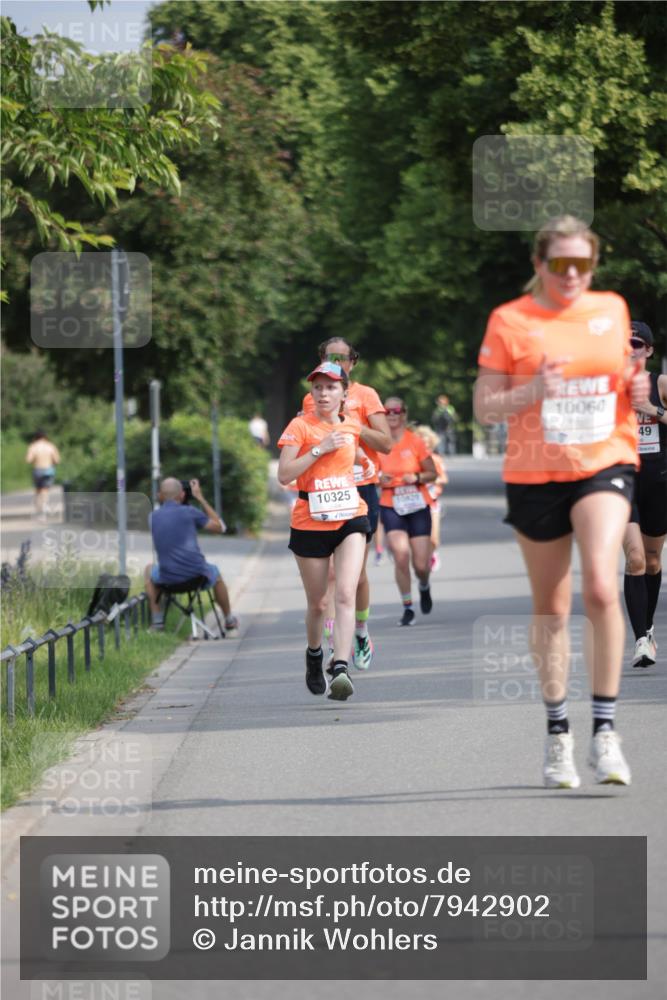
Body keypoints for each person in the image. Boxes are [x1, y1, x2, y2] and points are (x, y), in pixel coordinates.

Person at [474, 214, 649, 789]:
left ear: (593, 264)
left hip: (604, 460)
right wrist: (531, 390)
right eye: (560, 264)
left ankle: (605, 731)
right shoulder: (511, 321)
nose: (572, 274)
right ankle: (558, 735)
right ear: (539, 264)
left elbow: (620, 379)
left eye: (583, 264)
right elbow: (485, 407)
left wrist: (636, 387)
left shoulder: (611, 310)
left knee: (601, 583)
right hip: (534, 471)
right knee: (550, 607)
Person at [279, 362, 371, 700]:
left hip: (350, 515)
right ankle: (315, 653)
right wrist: (320, 449)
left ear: (344, 393)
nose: (323, 393)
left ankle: (341, 667)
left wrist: (364, 461)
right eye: (317, 387)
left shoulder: (352, 424)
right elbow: (284, 474)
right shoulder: (300, 426)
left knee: (345, 592)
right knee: (318, 604)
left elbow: (354, 448)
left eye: (331, 387)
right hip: (310, 520)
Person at [301, 338, 391, 671]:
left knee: (356, 574)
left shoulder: (367, 396)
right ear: (321, 360)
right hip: (324, 487)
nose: (337, 360)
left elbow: (386, 444)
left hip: (360, 488)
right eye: (330, 356)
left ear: (352, 362)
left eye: (343, 357)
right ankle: (334, 632)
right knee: (330, 573)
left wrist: (352, 423)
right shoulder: (313, 396)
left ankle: (362, 631)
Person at [622, 320, 666, 668]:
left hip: (659, 481)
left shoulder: (661, 384)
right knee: (635, 557)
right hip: (621, 480)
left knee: (652, 559)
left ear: (648, 350)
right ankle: (640, 639)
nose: (630, 349)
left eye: (636, 343)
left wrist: (655, 412)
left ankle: (648, 629)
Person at [144, 477, 238, 632]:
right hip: (197, 576)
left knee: (149, 569)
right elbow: (220, 528)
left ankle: (157, 621)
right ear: (181, 495)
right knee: (217, 574)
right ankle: (228, 619)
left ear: (160, 495)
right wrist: (200, 497)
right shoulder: (190, 512)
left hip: (168, 579)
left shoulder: (152, 517)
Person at [378, 398, 438, 626]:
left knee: (421, 565)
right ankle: (408, 607)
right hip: (390, 504)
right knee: (401, 556)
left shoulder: (416, 442)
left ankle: (424, 584)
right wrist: (377, 478)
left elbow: (432, 472)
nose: (392, 414)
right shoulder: (379, 443)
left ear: (404, 414)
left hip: (417, 504)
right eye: (387, 411)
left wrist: (418, 477)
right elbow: (367, 471)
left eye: (396, 410)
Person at [414, 425, 448, 572]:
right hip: (414, 503)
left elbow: (444, 479)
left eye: (427, 443)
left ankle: (432, 553)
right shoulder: (411, 460)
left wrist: (430, 479)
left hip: (432, 502)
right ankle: (419, 560)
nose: (425, 445)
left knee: (433, 539)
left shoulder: (436, 459)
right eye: (422, 442)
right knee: (416, 540)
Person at [25, 429, 60, 518]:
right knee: (45, 490)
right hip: (48, 470)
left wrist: (36, 459)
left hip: (37, 470)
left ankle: (39, 510)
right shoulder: (51, 446)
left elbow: (28, 460)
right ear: (45, 436)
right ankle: (44, 507)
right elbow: (57, 460)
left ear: (36, 437)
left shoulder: (33, 446)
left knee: (38, 490)